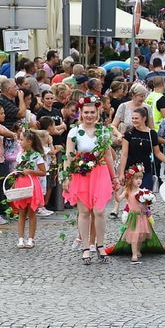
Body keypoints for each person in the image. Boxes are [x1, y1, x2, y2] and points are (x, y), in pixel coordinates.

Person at [62, 96, 118, 265]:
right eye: (86, 112)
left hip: (99, 172)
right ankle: (86, 248)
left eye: (92, 112)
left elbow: (108, 155)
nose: (89, 115)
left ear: (97, 112)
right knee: (84, 212)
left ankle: (100, 245)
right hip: (81, 174)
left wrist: (114, 176)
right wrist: (66, 176)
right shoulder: (74, 131)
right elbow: (69, 156)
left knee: (99, 211)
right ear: (81, 113)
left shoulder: (103, 131)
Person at [108, 164, 164, 264]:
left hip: (142, 217)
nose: (139, 181)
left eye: (140, 178)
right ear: (130, 179)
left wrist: (148, 202)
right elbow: (118, 199)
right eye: (136, 178)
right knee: (134, 235)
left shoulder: (143, 191)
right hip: (133, 217)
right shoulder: (127, 191)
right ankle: (134, 253)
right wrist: (115, 192)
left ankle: (138, 250)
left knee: (141, 236)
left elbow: (146, 205)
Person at [118, 107, 165, 190]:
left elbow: (157, 153)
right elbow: (124, 154)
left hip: (146, 170)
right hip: (131, 170)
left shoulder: (151, 133)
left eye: (136, 118)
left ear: (144, 118)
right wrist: (121, 173)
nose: (134, 120)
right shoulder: (129, 133)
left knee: (145, 196)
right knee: (132, 197)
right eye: (133, 118)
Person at [11, 130, 46, 249]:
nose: (20, 142)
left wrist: (31, 171)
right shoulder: (20, 154)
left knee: (31, 212)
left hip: (32, 184)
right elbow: (17, 170)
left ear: (29, 142)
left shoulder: (37, 155)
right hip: (21, 183)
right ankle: (21, 238)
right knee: (21, 212)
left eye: (21, 139)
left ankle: (31, 239)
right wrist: (14, 180)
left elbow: (43, 172)